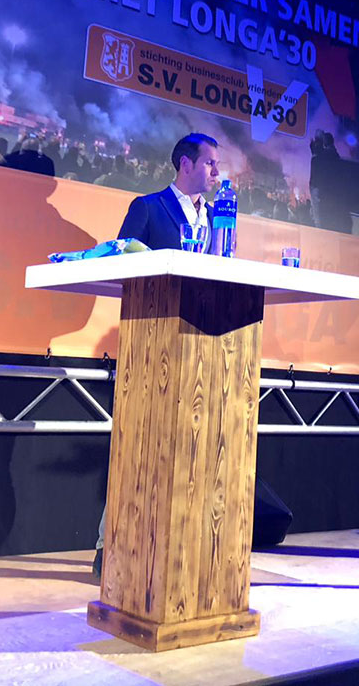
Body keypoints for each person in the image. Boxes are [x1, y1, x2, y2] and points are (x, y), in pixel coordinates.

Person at [92, 133, 220, 578]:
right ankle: (109, 546)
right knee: (138, 449)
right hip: (153, 347)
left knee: (186, 456)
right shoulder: (149, 207)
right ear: (186, 164)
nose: (216, 172)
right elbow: (120, 263)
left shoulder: (217, 219)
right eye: (210, 163)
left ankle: (175, 551)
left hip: (199, 349)